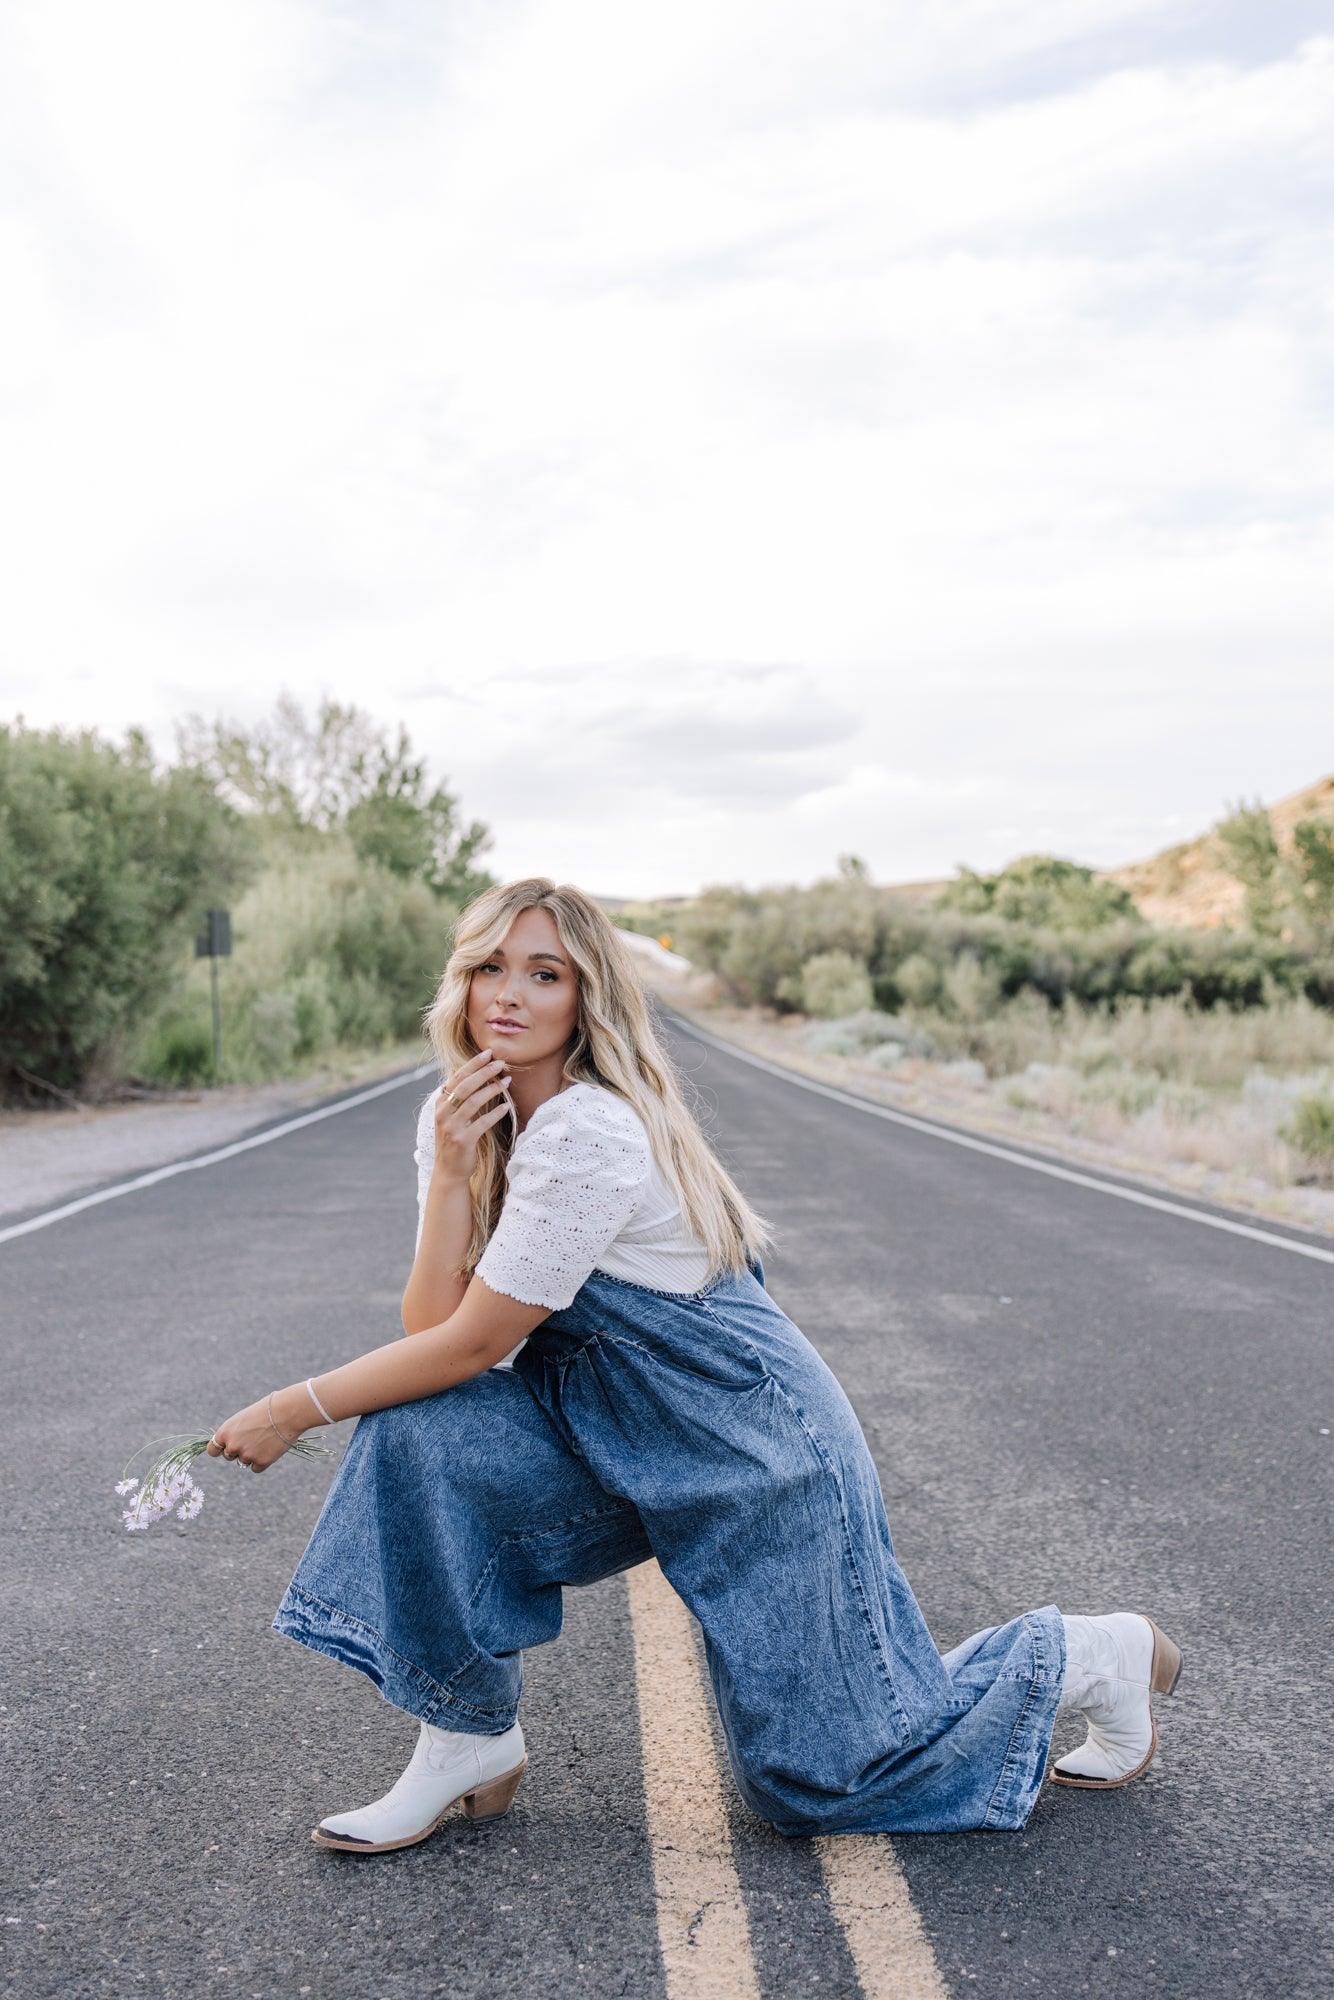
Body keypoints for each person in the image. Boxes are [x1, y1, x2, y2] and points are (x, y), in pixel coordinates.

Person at [207, 877, 1183, 1855]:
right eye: (489, 967)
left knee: (821, 1779)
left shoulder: (589, 1129)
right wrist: (455, 1175)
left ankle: (1090, 1655)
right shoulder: (457, 1116)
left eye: (544, 974)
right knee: (417, 1428)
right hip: (608, 1431)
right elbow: (437, 1334)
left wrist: (293, 1407)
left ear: (584, 998)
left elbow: (474, 1343)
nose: (507, 993)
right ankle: (465, 1736)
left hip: (750, 1449)